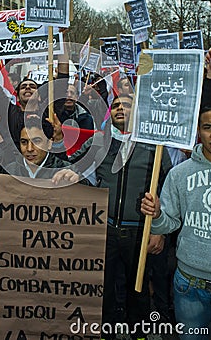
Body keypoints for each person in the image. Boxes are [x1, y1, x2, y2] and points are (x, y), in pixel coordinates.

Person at [70, 94, 172, 340]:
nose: (120, 109)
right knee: (103, 289)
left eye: (127, 105)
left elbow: (168, 190)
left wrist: (160, 230)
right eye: (115, 105)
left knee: (137, 290)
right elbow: (71, 167)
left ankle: (138, 333)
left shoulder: (154, 146)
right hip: (104, 230)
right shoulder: (98, 142)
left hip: (140, 232)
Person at [141, 104, 211, 340]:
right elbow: (167, 225)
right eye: (207, 127)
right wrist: (158, 215)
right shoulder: (179, 174)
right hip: (190, 286)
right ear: (198, 132)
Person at [0, 115, 87, 270]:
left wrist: (80, 184)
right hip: (17, 260)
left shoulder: (65, 171)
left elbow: (91, 209)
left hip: (55, 260)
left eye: (36, 141)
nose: (29, 149)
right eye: (24, 142)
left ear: (50, 143)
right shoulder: (9, 172)